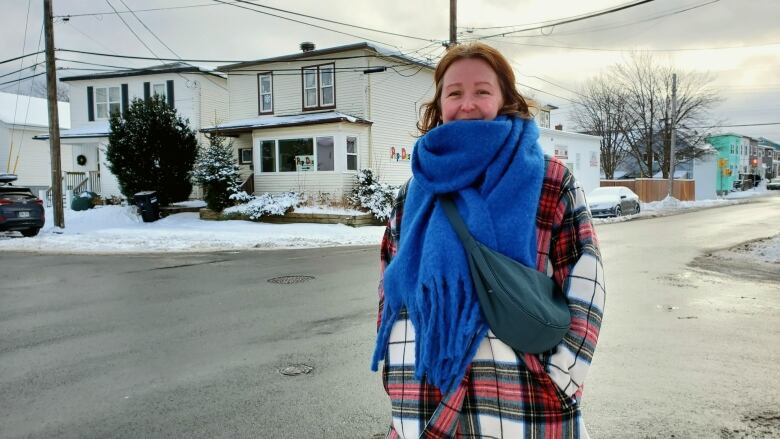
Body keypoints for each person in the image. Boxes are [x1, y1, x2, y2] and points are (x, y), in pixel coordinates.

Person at [371, 42, 605, 438]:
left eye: (482, 91)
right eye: (455, 92)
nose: (467, 104)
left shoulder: (549, 180)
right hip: (426, 395)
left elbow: (587, 281)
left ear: (504, 98)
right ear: (440, 103)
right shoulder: (414, 191)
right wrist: (397, 375)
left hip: (522, 397)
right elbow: (389, 286)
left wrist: (562, 375)